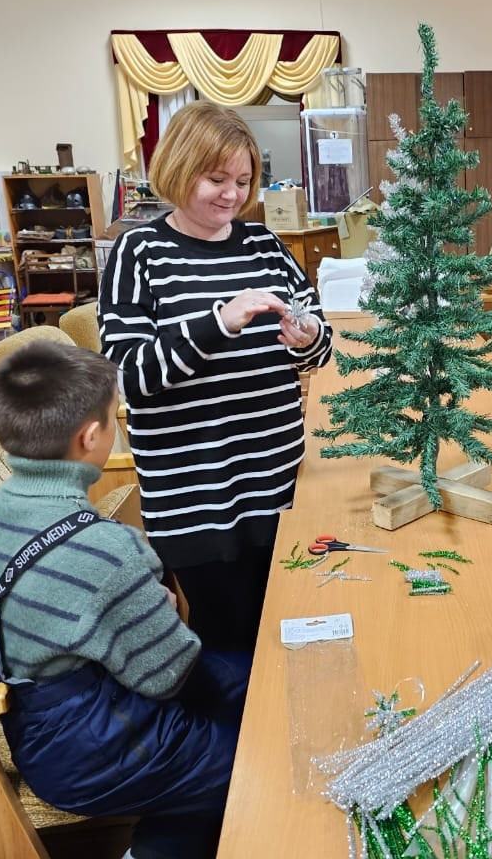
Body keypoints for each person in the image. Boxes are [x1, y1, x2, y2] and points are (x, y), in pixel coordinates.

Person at [0, 341, 249, 859]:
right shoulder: (105, 549)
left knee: (256, 680)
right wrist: (157, 617)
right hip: (106, 747)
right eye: (113, 419)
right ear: (91, 437)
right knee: (260, 758)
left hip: (36, 735)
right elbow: (168, 675)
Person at [99, 101, 333, 652]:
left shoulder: (265, 246)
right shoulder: (141, 252)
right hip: (196, 495)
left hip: (276, 481)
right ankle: (231, 739)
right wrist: (220, 321)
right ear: (180, 169)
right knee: (231, 643)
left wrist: (308, 338)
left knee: (288, 625)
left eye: (243, 180)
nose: (232, 194)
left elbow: (318, 350)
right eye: (216, 178)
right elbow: (130, 378)